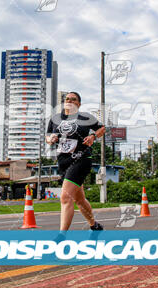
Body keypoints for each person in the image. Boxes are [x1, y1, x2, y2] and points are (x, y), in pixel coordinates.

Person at [46, 91, 106, 231]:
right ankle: (94, 225)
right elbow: (48, 136)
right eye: (67, 99)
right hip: (63, 162)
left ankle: (61, 236)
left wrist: (93, 136)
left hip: (81, 159)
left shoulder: (85, 117)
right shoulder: (55, 119)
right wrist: (51, 139)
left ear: (78, 104)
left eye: (73, 99)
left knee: (65, 198)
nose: (69, 101)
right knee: (80, 200)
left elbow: (102, 128)